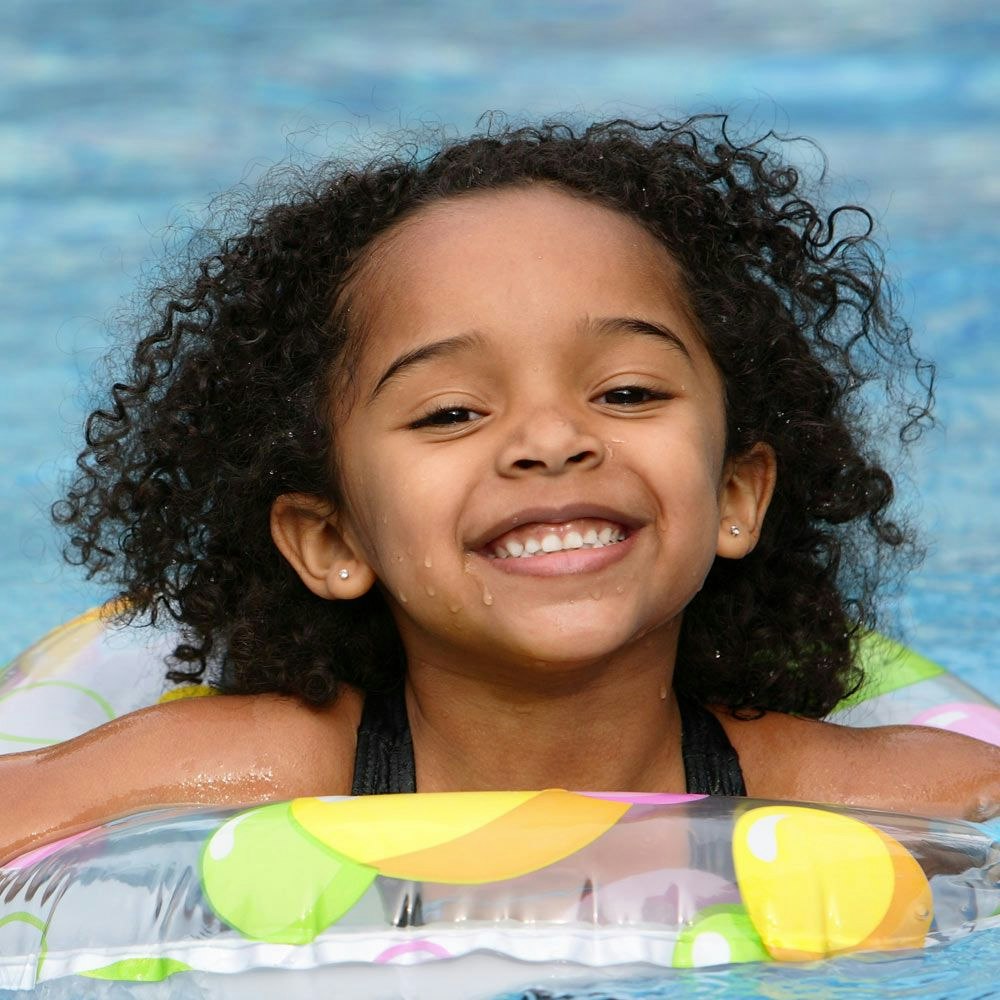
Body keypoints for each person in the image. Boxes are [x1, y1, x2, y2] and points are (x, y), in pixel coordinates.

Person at [3, 115, 997, 863]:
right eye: (449, 412)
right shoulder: (269, 764)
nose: (552, 438)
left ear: (736, 495)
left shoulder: (841, 786)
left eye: (625, 390)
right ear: (331, 538)